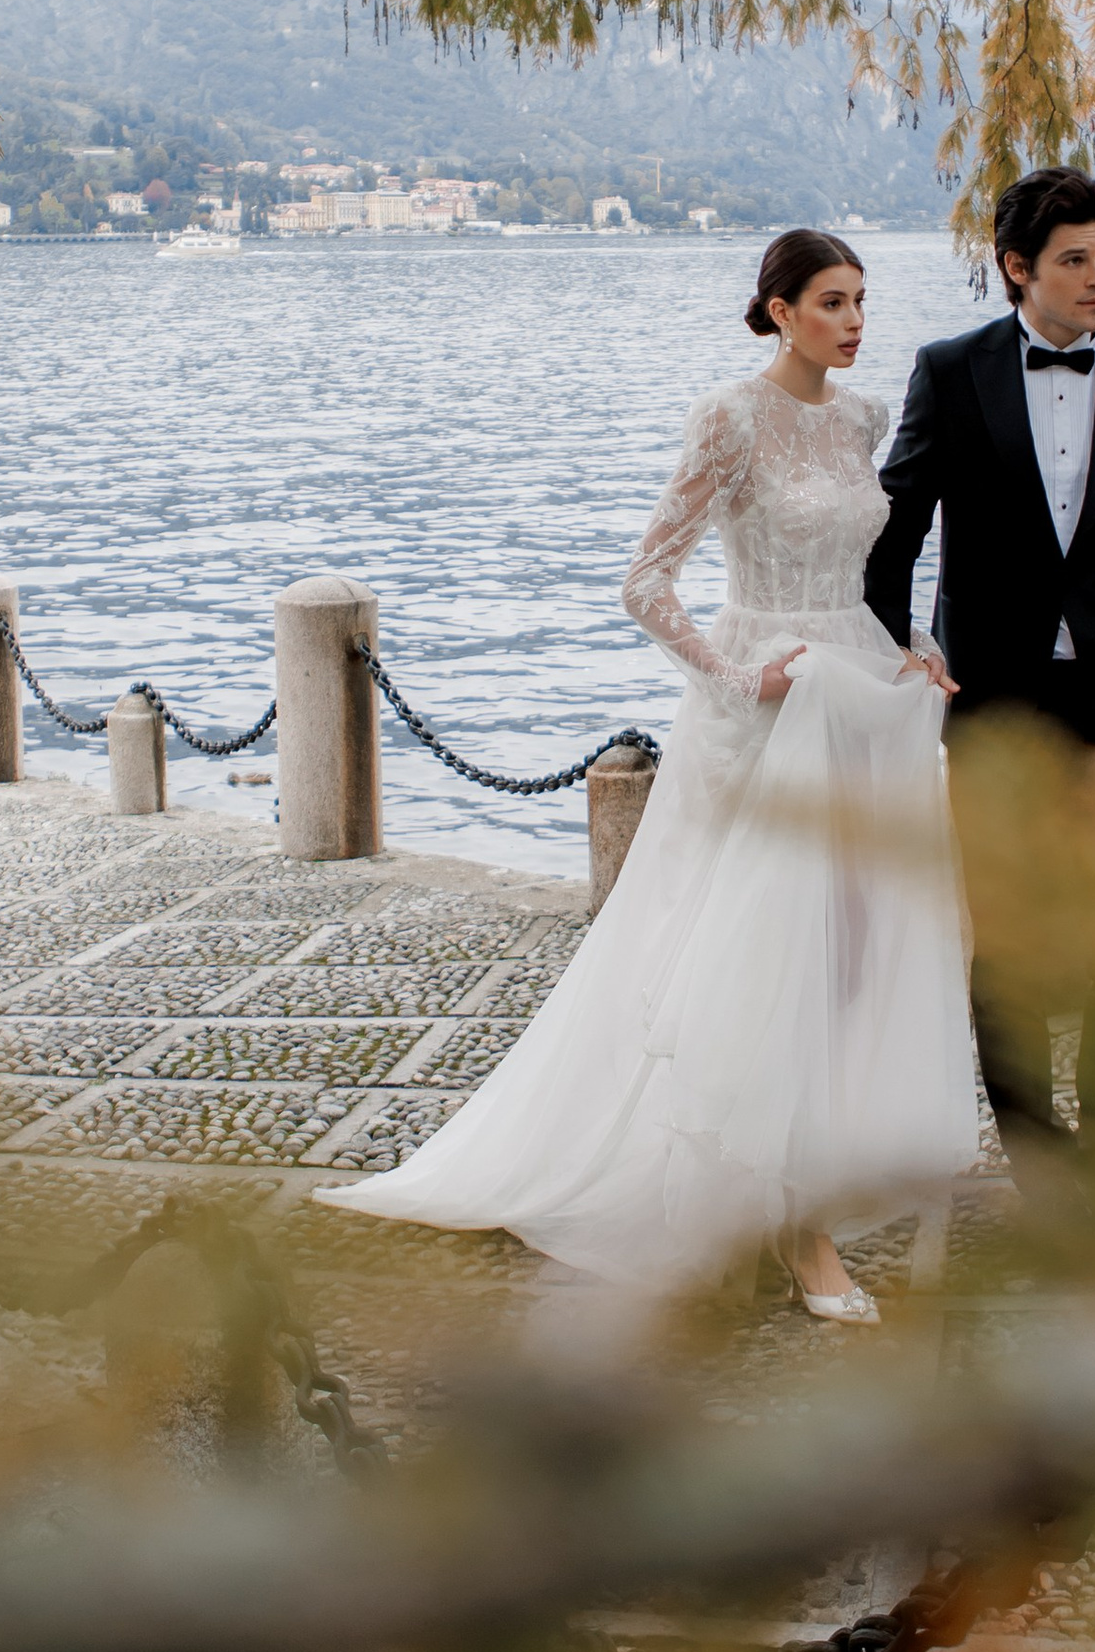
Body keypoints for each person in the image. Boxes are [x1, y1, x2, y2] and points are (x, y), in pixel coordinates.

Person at [317, 231, 980, 1311]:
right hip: (764, 707)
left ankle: (799, 1178)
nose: (855, 321)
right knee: (756, 956)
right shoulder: (729, 417)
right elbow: (646, 581)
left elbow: (857, 572)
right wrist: (739, 677)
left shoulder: (863, 418)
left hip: (854, 690)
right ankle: (796, 1227)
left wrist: (908, 647)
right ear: (777, 311)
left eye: (861, 300)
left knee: (847, 955)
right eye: (830, 301)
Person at [863, 164, 1095, 1204]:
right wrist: (893, 649)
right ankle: (1039, 1158)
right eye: (1074, 259)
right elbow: (894, 529)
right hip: (995, 706)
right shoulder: (951, 371)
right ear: (1017, 267)